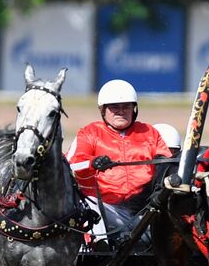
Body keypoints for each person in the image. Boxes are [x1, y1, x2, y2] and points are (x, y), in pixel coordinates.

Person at [67, 79, 172, 245]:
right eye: (114, 107)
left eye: (126, 107)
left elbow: (167, 165)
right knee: (89, 205)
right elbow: (72, 165)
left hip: (146, 209)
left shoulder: (150, 133)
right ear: (103, 110)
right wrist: (93, 163)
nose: (120, 111)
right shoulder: (89, 133)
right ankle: (100, 247)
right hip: (107, 209)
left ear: (134, 109)